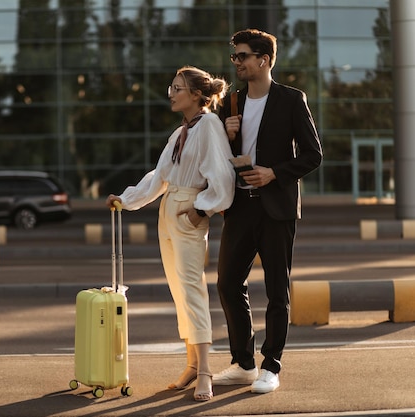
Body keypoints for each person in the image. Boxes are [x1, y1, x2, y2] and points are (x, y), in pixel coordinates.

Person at [106, 66, 235, 402]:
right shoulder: (181, 131)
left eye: (178, 88)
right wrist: (126, 199)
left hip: (187, 210)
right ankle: (192, 363)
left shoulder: (208, 125)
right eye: (171, 87)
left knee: (193, 289)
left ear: (196, 94)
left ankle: (206, 369)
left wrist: (201, 209)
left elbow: (223, 174)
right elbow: (159, 177)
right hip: (169, 211)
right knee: (179, 290)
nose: (171, 92)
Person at [213, 29, 323, 394]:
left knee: (278, 291)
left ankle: (270, 365)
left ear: (264, 59)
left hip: (277, 209)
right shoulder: (231, 103)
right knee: (228, 283)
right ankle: (243, 363)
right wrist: (228, 137)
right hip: (240, 207)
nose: (237, 63)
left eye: (242, 56)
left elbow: (312, 154)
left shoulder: (292, 100)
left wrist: (274, 172)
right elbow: (223, 160)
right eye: (234, 57)